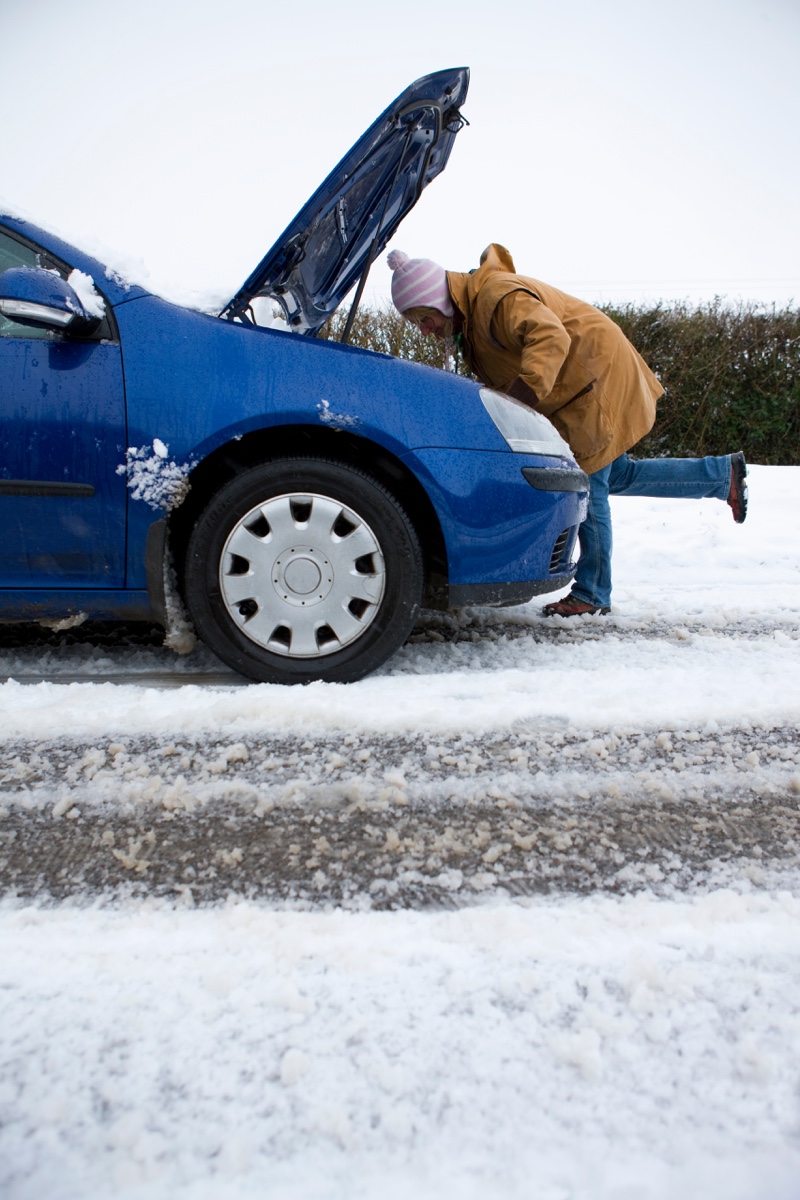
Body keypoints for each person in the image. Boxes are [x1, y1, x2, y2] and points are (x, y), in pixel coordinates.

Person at [386, 245, 748, 617]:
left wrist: (515, 406)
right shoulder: (472, 317)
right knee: (617, 473)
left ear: (437, 300)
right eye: (417, 323)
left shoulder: (495, 297)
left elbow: (550, 338)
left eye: (424, 318)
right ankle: (721, 476)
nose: (425, 330)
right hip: (580, 386)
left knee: (589, 484)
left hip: (593, 379)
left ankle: (592, 593)